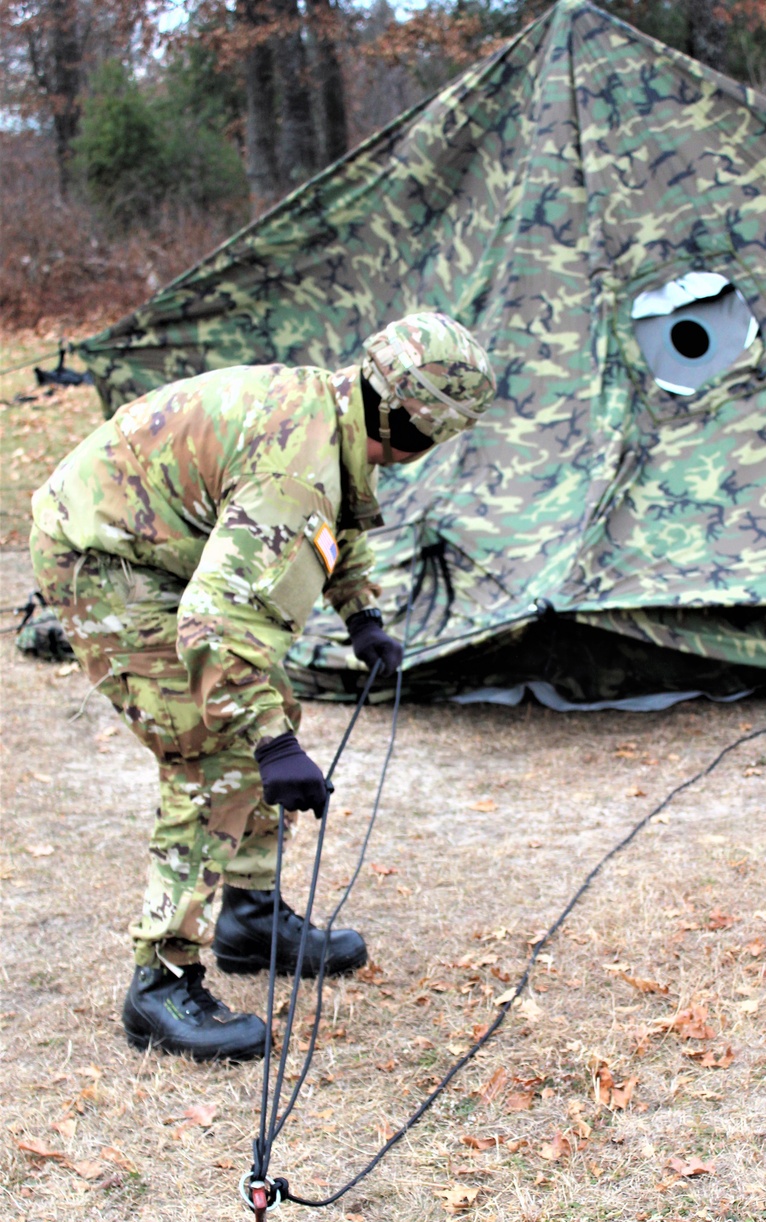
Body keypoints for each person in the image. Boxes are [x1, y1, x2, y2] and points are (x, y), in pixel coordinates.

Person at [30, 311, 496, 1063]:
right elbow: (217, 625)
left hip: (152, 538)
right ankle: (160, 983)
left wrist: (363, 615)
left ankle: (249, 917)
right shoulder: (297, 469)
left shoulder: (333, 412)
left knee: (261, 711)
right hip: (104, 556)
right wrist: (275, 747)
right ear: (410, 421)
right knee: (212, 751)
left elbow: (332, 520)